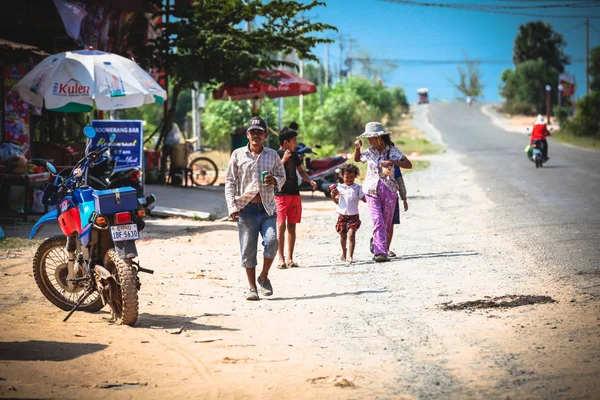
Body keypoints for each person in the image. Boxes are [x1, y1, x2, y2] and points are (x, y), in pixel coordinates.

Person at [225, 116, 286, 301]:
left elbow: (282, 175)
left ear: (265, 135)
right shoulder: (237, 154)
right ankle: (252, 288)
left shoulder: (273, 155)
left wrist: (275, 180)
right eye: (253, 132)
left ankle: (264, 276)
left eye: (260, 132)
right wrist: (231, 207)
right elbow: (229, 182)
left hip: (267, 208)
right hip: (246, 210)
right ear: (247, 134)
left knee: (273, 241)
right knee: (248, 249)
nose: (256, 135)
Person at [354, 122, 412, 262]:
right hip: (371, 190)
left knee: (386, 222)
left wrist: (392, 162)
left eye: (371, 138)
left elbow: (408, 164)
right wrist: (357, 148)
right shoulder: (370, 152)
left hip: (389, 190)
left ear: (379, 137)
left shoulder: (392, 151)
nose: (369, 141)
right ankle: (379, 253)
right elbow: (357, 159)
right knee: (377, 220)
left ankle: (381, 247)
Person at [274, 127, 317, 269]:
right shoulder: (275, 155)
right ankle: (280, 258)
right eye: (294, 140)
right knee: (281, 225)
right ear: (286, 142)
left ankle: (290, 258)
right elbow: (272, 171)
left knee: (292, 226)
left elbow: (301, 171)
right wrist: (284, 160)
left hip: (294, 194)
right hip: (280, 194)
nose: (296, 143)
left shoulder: (295, 155)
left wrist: (309, 180)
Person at [331, 163, 366, 264]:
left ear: (355, 176)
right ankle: (344, 251)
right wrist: (333, 196)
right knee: (343, 236)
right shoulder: (339, 188)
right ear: (342, 176)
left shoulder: (358, 188)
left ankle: (350, 256)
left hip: (353, 216)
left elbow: (364, 199)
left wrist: (371, 196)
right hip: (342, 216)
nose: (349, 179)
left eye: (351, 177)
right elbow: (337, 202)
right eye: (347, 177)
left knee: (351, 235)